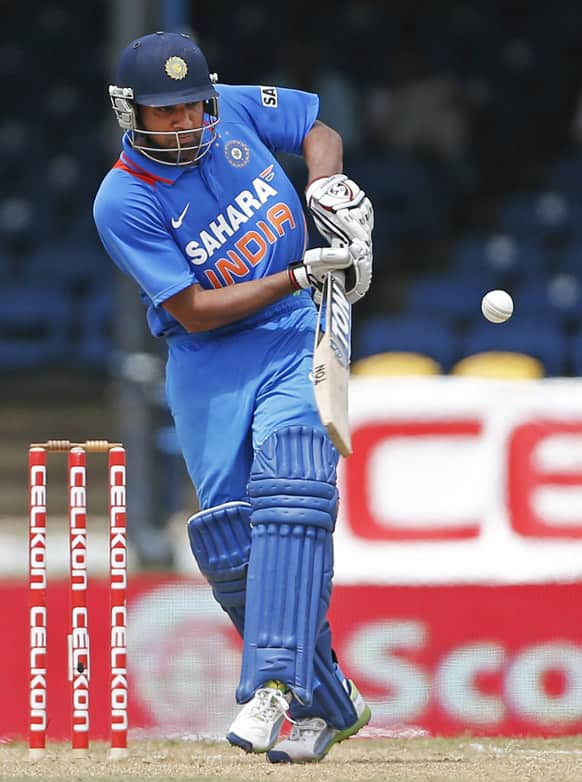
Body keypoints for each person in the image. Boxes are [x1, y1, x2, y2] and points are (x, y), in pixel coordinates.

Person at [94, 31, 373, 764]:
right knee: (230, 542)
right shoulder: (122, 200)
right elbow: (193, 310)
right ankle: (332, 701)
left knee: (294, 486)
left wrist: (324, 190)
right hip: (209, 358)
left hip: (292, 338)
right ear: (133, 114)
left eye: (194, 106)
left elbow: (320, 131)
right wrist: (298, 273)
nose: (187, 123)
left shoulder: (232, 113)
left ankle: (274, 685)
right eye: (167, 113)